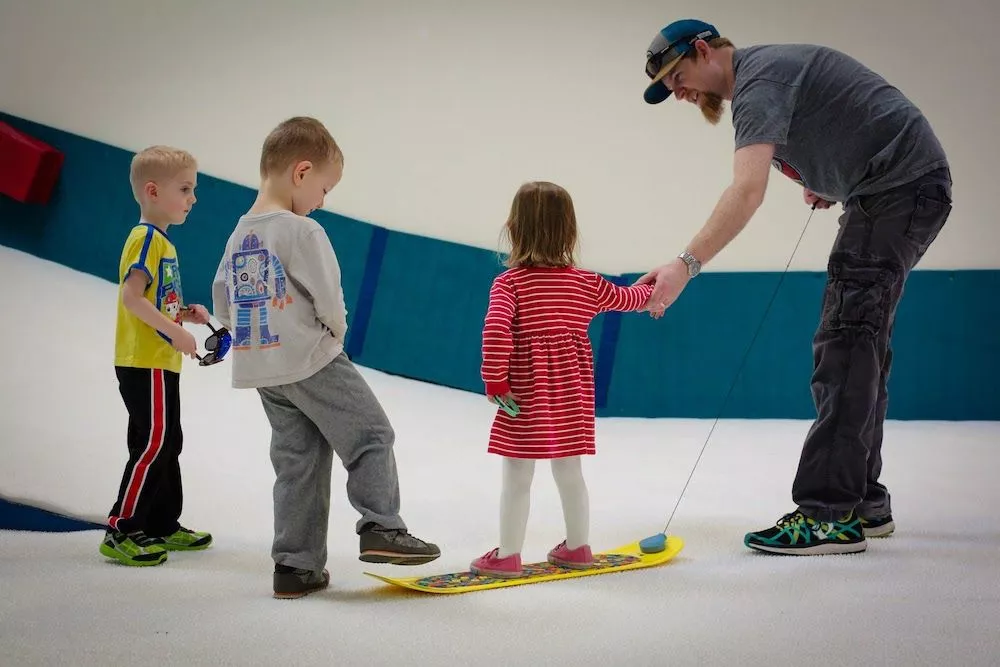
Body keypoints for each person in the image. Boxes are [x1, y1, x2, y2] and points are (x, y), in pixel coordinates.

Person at [636, 19, 952, 555]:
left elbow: (746, 190)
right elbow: (846, 120)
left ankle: (828, 514)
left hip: (897, 190)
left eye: (677, 74)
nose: (678, 90)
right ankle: (862, 502)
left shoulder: (758, 82)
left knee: (846, 342)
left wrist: (685, 264)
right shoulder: (769, 75)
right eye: (668, 85)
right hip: (900, 188)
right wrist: (829, 181)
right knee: (861, 344)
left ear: (705, 49)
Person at [211, 116, 440, 599]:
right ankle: (382, 526)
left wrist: (249, 341)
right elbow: (328, 297)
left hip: (263, 369)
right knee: (371, 434)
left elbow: (223, 301)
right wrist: (335, 333)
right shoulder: (301, 231)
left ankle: (294, 566)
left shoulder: (237, 235)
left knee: (298, 462)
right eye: (324, 187)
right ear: (301, 172)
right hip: (311, 357)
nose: (323, 200)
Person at [471, 181, 655, 577]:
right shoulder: (586, 284)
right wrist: (656, 290)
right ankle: (578, 547)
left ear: (514, 229)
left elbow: (497, 330)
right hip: (572, 395)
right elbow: (629, 299)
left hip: (524, 395)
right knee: (570, 472)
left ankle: (508, 555)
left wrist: (495, 381)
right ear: (569, 232)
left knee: (518, 476)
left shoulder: (510, 284)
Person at [102, 146, 214, 567]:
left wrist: (185, 314)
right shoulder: (146, 238)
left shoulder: (162, 243)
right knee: (153, 443)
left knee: (167, 440)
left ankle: (162, 522)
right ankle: (122, 528)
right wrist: (174, 331)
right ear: (152, 191)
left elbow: (154, 301)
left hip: (157, 361)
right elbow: (131, 298)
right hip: (144, 360)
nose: (193, 198)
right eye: (185, 189)